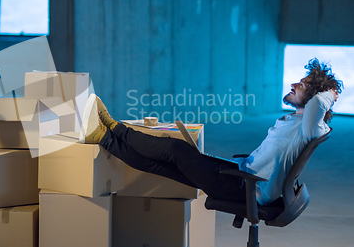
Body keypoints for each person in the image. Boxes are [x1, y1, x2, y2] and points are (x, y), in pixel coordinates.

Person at [79, 58, 342, 205]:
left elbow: (319, 103)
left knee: (175, 149)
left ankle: (113, 127)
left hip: (246, 188)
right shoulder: (295, 120)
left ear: (315, 96)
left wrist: (331, 91)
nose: (295, 84)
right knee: (161, 166)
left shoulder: (312, 126)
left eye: (304, 84)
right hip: (241, 175)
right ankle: (102, 137)